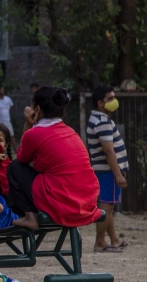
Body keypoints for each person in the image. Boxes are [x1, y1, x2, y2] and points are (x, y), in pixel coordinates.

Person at [7, 87, 100, 230]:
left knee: (14, 167)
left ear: (37, 109)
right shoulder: (70, 131)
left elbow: (22, 158)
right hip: (87, 198)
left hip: (63, 199)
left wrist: (27, 125)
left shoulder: (34, 133)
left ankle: (30, 217)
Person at [87, 85, 129, 252]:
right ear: (100, 103)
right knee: (106, 205)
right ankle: (100, 242)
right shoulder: (102, 122)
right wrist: (118, 174)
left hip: (106, 170)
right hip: (107, 170)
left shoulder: (100, 119)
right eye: (110, 98)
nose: (114, 101)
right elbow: (108, 150)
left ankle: (114, 239)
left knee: (109, 205)